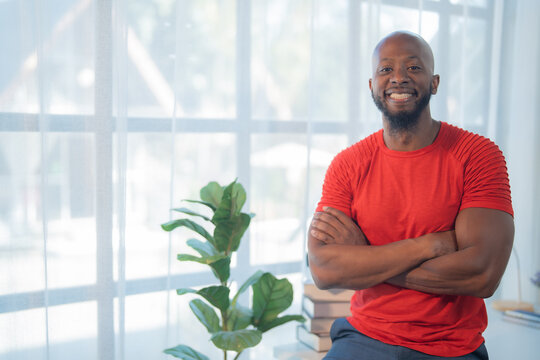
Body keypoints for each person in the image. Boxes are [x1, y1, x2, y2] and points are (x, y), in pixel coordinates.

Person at [307, 30, 514, 360]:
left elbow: (483, 274)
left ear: (434, 82)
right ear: (372, 85)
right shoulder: (347, 165)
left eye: (414, 68)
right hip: (362, 336)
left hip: (449, 346)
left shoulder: (478, 155)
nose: (399, 78)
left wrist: (368, 257)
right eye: (386, 69)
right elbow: (325, 271)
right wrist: (428, 245)